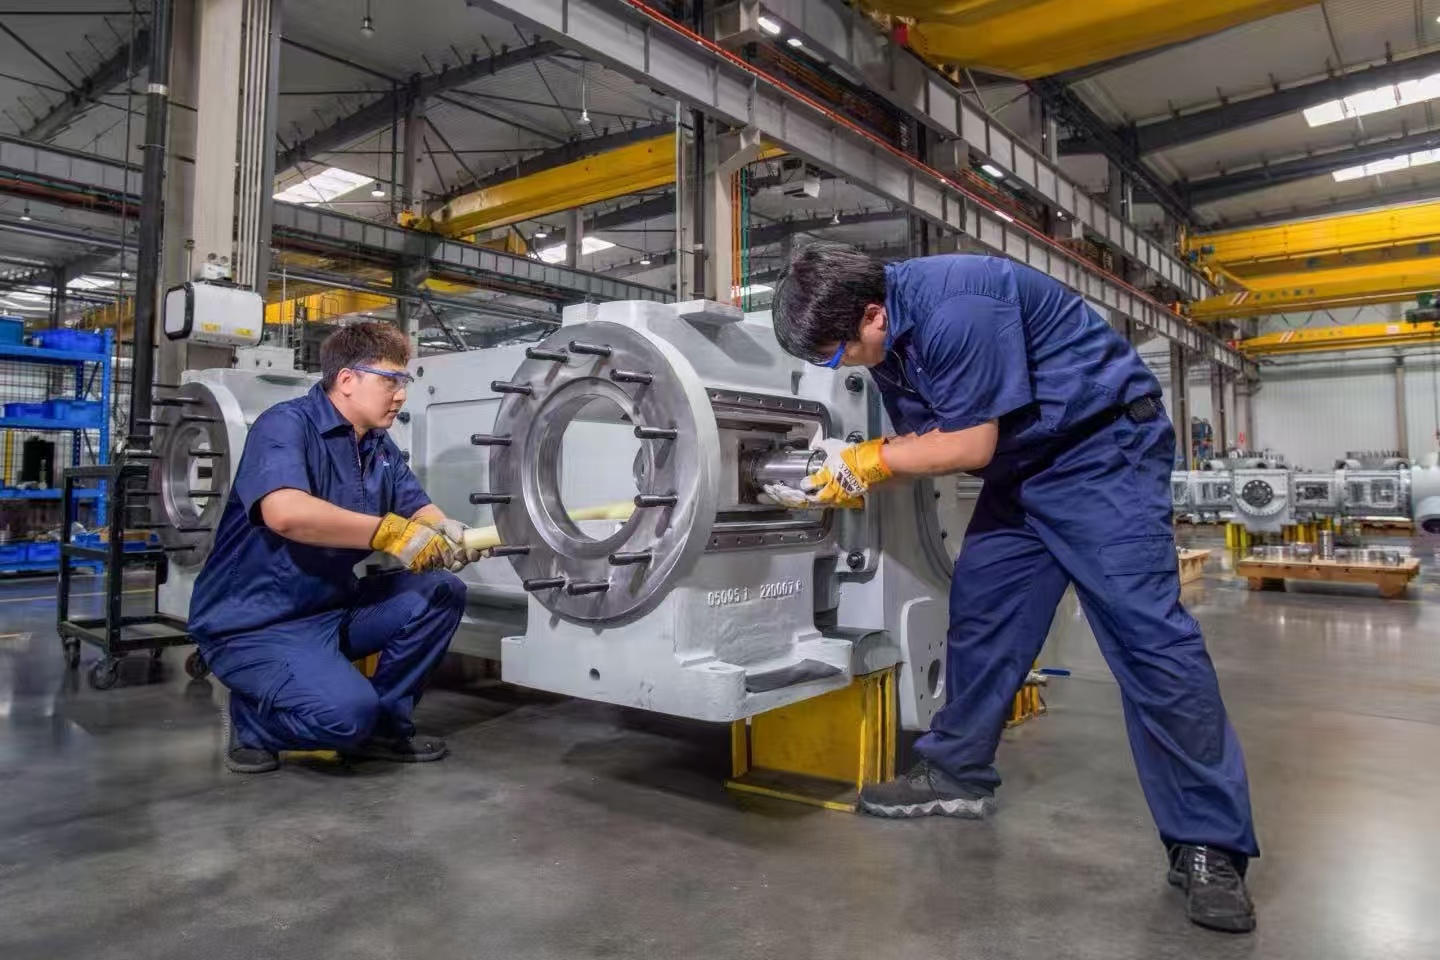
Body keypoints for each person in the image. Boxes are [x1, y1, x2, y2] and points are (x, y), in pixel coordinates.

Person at [770, 246, 1258, 934]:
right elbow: (932, 437)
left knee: (1149, 642)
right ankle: (957, 772)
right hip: (1025, 469)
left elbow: (966, 446)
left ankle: (1210, 843)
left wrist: (866, 462)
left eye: (833, 353)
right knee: (983, 613)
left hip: (1101, 452)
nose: (837, 366)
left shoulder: (956, 305)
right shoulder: (888, 345)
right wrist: (846, 470)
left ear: (873, 313)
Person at [188, 322, 483, 775]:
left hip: (329, 608)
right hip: (256, 622)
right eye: (392, 381)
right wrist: (388, 533)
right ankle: (256, 725)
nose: (401, 395)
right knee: (346, 718)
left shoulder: (378, 447)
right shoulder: (285, 425)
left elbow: (418, 507)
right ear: (347, 380)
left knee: (441, 590)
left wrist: (446, 532)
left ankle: (385, 729)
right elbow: (285, 512)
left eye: (404, 382)